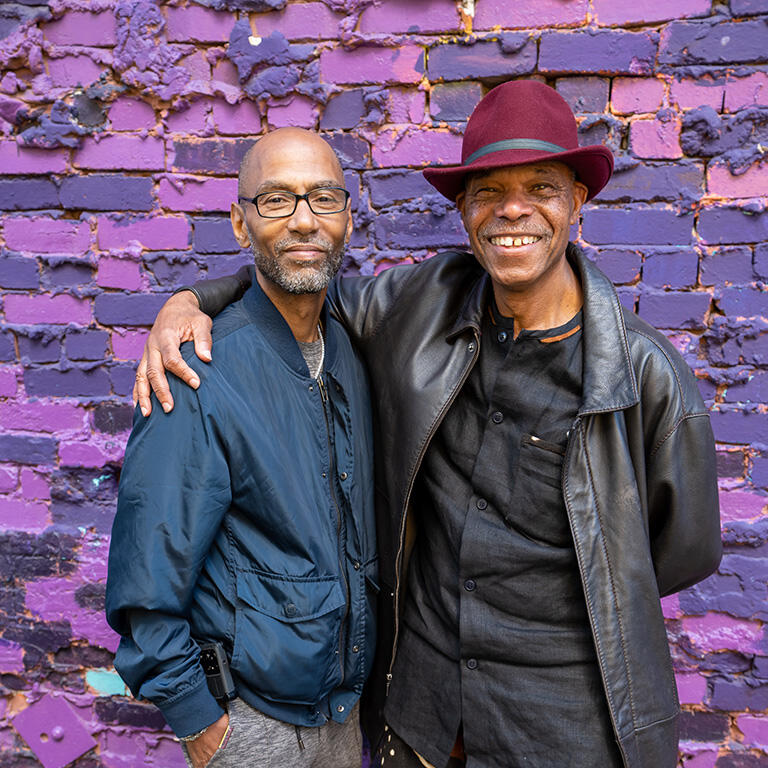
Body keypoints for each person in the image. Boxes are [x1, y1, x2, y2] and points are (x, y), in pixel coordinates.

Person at [134, 81, 722, 768]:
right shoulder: (423, 306)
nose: (513, 211)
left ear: (576, 203)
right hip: (424, 717)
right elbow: (301, 275)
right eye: (487, 192)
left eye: (542, 187)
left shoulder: (646, 377)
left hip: (563, 724)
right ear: (464, 211)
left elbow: (679, 553)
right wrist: (188, 299)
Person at [105, 128, 377, 768]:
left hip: (344, 712)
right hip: (252, 725)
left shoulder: (357, 350)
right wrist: (198, 718)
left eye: (324, 199)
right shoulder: (200, 369)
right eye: (278, 200)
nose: (305, 221)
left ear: (347, 216)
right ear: (240, 222)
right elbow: (149, 568)